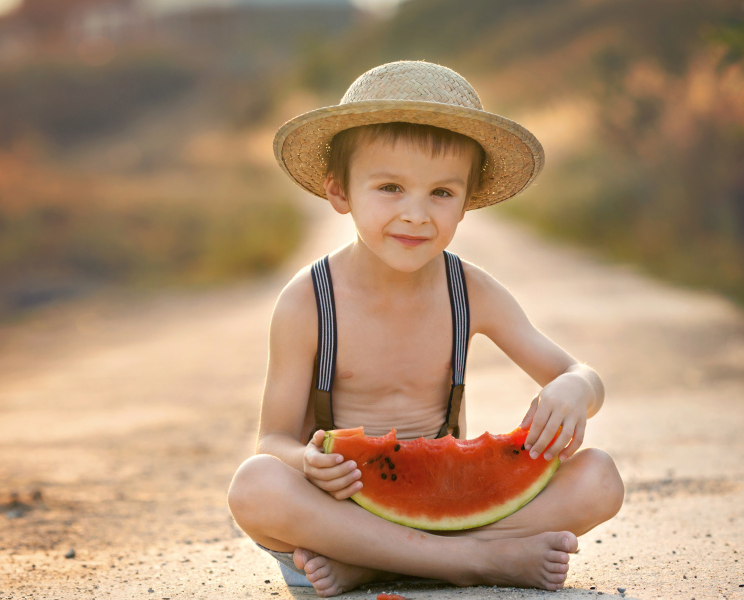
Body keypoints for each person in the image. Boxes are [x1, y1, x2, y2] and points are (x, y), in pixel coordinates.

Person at [227, 60, 624, 597]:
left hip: (453, 509)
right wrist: (307, 461)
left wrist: (576, 387)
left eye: (441, 193)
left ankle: (380, 569)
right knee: (253, 485)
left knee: (600, 478)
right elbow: (272, 439)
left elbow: (578, 373)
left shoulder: (470, 291)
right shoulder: (308, 302)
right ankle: (473, 563)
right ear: (339, 193)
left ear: (466, 204)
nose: (416, 214)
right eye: (390, 187)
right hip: (340, 514)